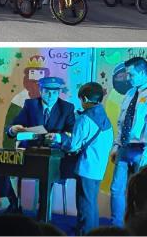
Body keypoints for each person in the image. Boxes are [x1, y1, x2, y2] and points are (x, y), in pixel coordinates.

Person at [0, 77, 76, 212]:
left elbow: (71, 133)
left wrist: (58, 137)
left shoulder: (66, 108)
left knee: (46, 169)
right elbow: (14, 126)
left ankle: (42, 210)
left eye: (55, 92)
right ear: (40, 90)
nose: (51, 96)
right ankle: (12, 201)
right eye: (47, 92)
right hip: (30, 152)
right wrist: (13, 129)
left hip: (52, 156)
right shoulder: (31, 105)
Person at [110, 56, 147, 227]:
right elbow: (121, 122)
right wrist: (116, 145)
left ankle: (141, 227)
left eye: (131, 75)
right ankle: (117, 227)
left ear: (143, 73)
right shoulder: (130, 94)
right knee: (116, 190)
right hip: (125, 147)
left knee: (142, 193)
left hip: (143, 150)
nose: (128, 79)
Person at [47, 82, 113, 235]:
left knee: (84, 204)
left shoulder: (85, 119)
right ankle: (93, 231)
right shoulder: (103, 116)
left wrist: (59, 138)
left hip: (87, 167)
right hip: (98, 166)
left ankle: (85, 233)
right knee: (91, 202)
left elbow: (73, 146)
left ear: (84, 98)